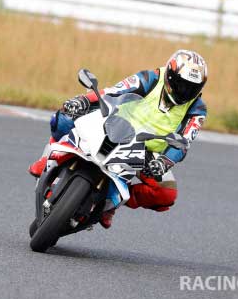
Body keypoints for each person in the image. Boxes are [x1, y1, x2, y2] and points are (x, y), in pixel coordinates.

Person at [28, 50, 208, 229]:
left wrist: (164, 162)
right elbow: (115, 90)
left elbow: (184, 142)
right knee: (65, 116)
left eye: (191, 88)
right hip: (115, 124)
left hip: (146, 151)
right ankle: (47, 159)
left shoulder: (197, 110)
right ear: (169, 75)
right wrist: (84, 100)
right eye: (180, 84)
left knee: (166, 194)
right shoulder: (151, 78)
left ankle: (111, 204)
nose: (184, 91)